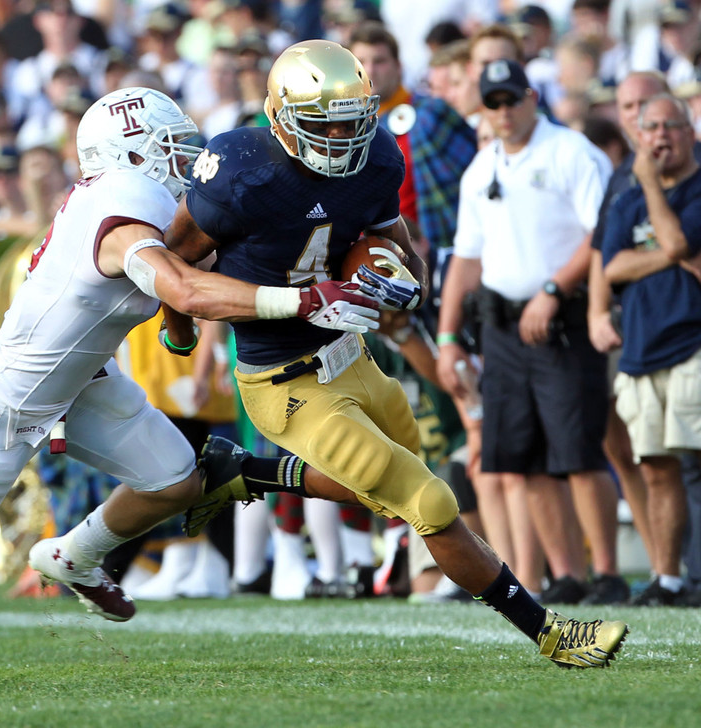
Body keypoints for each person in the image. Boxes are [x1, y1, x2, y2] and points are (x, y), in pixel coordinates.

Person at [0, 85, 380, 680]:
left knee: (175, 480)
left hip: (84, 378)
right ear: (131, 155)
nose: (187, 161)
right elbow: (186, 287)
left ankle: (75, 555)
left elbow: (202, 273)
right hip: (8, 400)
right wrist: (305, 300)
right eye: (172, 147)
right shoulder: (120, 210)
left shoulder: (136, 200)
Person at [168, 40, 627, 669]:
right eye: (322, 122)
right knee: (429, 501)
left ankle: (248, 474)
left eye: (351, 119)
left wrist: (404, 274)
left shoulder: (378, 154)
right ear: (279, 117)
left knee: (393, 478)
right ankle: (551, 636)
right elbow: (178, 263)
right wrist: (181, 332)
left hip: (351, 354)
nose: (340, 136)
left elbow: (389, 235)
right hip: (283, 379)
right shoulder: (242, 170)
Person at [437, 59, 627, 606]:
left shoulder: (570, 152)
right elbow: (466, 261)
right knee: (523, 457)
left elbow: (602, 234)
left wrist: (552, 290)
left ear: (531, 98)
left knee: (577, 450)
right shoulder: (481, 168)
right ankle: (568, 572)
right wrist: (448, 337)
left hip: (560, 317)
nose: (501, 112)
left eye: (510, 100)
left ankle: (609, 573)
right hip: (501, 323)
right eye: (491, 102)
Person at [601, 93, 701, 606]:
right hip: (642, 350)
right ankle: (669, 579)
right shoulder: (625, 202)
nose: (661, 135)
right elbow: (611, 267)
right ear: (638, 136)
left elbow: (681, 244)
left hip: (692, 342)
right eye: (651, 127)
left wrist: (648, 186)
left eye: (672, 125)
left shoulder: (689, 189)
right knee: (657, 467)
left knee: (696, 464)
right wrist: (668, 253)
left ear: (691, 132)